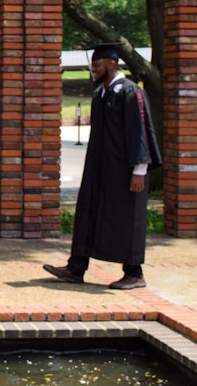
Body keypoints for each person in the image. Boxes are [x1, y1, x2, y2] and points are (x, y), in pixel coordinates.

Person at [43, 43, 161, 290]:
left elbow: (140, 131)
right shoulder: (101, 94)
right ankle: (76, 267)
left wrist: (139, 169)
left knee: (127, 217)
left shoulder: (130, 92)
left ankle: (134, 272)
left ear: (112, 64)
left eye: (97, 66)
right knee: (89, 212)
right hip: (99, 169)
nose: (93, 70)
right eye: (92, 66)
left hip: (124, 170)